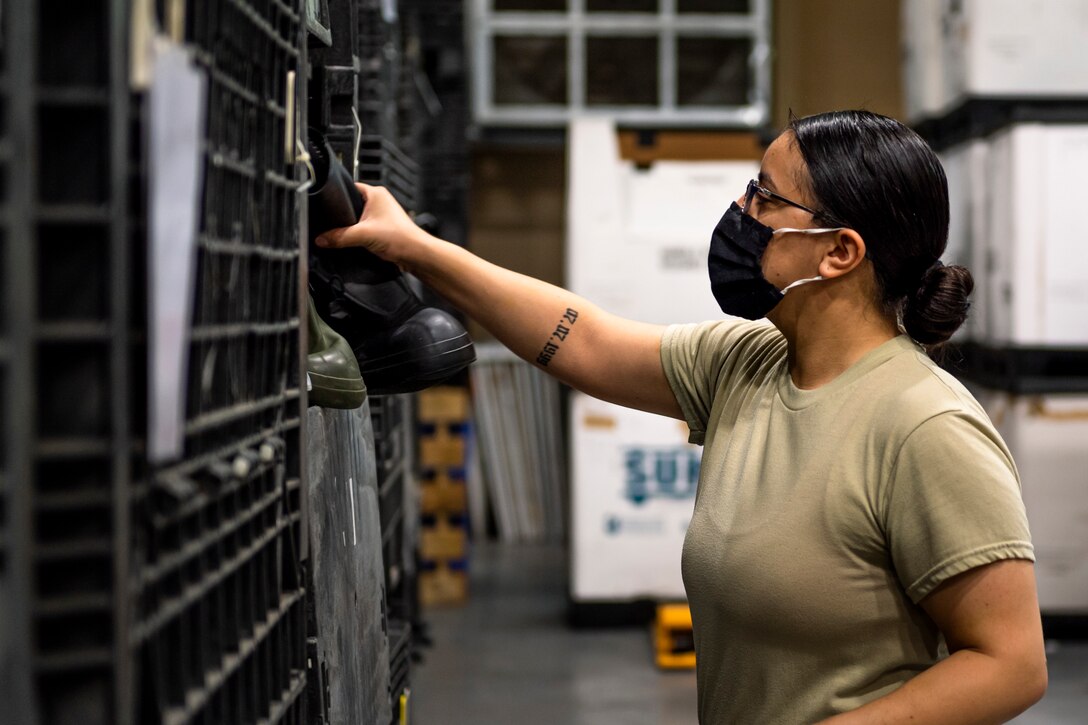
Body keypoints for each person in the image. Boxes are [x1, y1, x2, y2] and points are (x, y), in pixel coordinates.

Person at [315, 110, 1047, 723]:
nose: (739, 214)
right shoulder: (749, 363)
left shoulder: (926, 426)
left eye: (764, 198)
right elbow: (588, 339)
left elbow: (1011, 664)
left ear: (839, 252)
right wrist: (412, 246)